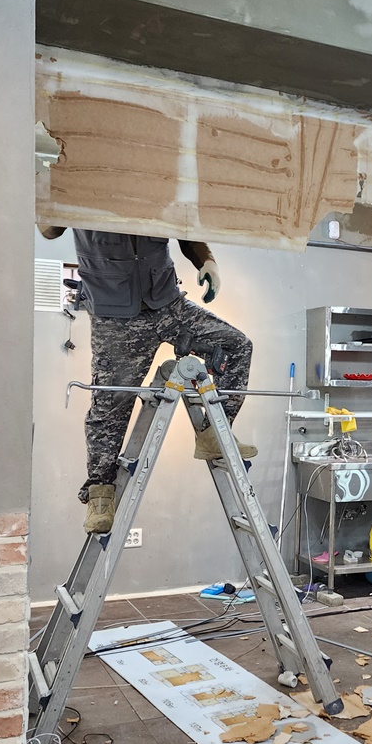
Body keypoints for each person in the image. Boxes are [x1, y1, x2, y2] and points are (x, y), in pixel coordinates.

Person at [39, 225, 255, 534]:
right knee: (109, 407)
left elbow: (183, 222)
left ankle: (214, 435)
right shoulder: (83, 192)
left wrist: (206, 260)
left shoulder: (156, 192)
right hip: (115, 317)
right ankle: (100, 494)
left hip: (167, 304)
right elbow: (49, 229)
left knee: (237, 346)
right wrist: (51, 203)